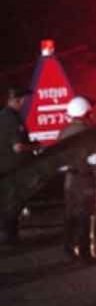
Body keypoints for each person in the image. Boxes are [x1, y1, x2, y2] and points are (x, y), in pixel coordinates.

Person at [59, 96, 96, 264]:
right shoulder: (89, 134)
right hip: (84, 180)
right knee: (86, 216)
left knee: (70, 215)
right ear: (86, 113)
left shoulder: (64, 132)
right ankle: (86, 253)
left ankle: (68, 249)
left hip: (69, 180)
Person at [0, 86, 35, 244]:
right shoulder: (12, 118)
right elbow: (18, 147)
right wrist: (36, 147)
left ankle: (8, 234)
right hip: (12, 168)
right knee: (12, 203)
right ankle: (10, 237)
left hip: (4, 167)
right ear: (17, 100)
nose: (24, 103)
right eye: (23, 100)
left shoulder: (3, 115)